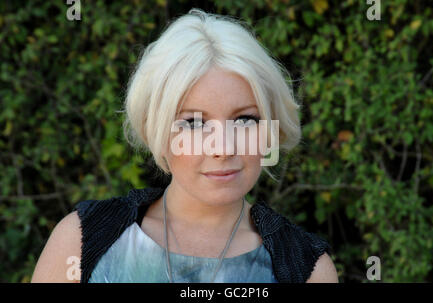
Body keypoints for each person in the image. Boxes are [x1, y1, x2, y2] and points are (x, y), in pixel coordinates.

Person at [31, 8, 338, 283]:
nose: (223, 148)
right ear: (159, 132)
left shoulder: (307, 269)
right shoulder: (82, 240)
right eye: (193, 123)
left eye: (245, 119)